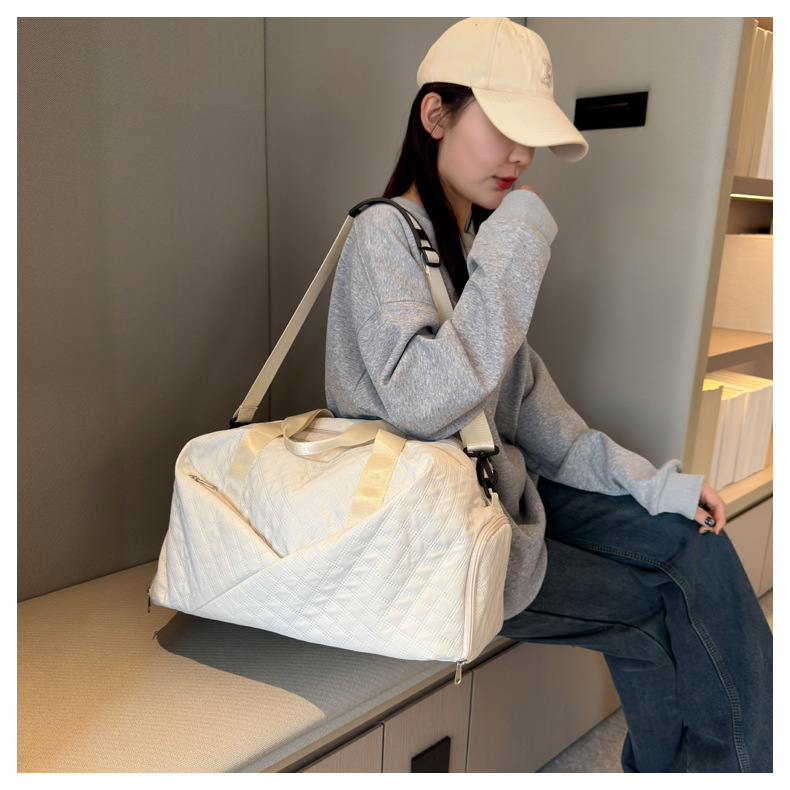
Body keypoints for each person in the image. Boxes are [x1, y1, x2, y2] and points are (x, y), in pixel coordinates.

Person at [324, 17, 772, 772]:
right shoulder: (383, 238)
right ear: (435, 115)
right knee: (651, 607)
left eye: (530, 136)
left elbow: (548, 427)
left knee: (693, 539)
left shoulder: (473, 253)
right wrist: (518, 238)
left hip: (497, 493)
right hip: (437, 537)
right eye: (504, 127)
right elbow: (422, 401)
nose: (522, 156)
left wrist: (658, 485)